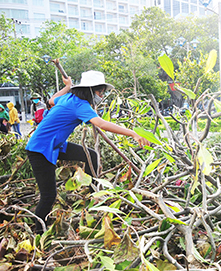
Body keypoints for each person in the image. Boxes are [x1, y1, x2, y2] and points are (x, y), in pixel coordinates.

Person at [25, 70, 151, 234]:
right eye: (100, 92)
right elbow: (101, 123)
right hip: (40, 149)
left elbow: (50, 100)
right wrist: (133, 133)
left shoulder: (68, 97)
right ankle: (39, 233)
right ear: (91, 90)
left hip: (54, 145)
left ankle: (93, 193)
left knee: (91, 155)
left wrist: (67, 87)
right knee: (48, 195)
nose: (101, 95)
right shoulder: (79, 104)